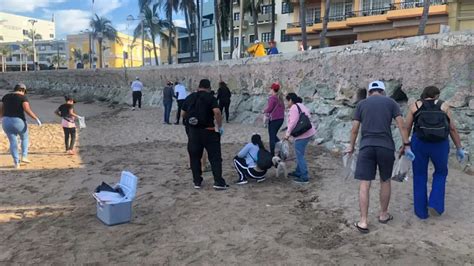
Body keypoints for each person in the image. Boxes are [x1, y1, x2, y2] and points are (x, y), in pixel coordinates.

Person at [346, 81, 413, 234]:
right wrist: (406, 144)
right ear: (383, 91)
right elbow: (401, 125)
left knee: (365, 183)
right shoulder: (391, 103)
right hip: (385, 146)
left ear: (370, 92)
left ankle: (363, 221)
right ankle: (383, 214)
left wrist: (351, 146)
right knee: (385, 180)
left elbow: (355, 129)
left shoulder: (361, 104)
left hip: (366, 147)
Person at [404, 86, 465, 219]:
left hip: (419, 143)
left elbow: (407, 126)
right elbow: (452, 129)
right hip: (440, 144)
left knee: (419, 175)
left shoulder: (415, 106)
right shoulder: (444, 106)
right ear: (436, 95)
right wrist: (459, 147)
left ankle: (421, 212)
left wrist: (406, 145)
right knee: (441, 172)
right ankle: (435, 204)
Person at [182, 79, 228, 190]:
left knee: (194, 157)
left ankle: (197, 182)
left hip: (193, 132)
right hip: (208, 130)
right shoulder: (210, 98)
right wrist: (219, 126)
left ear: (199, 86)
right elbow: (217, 112)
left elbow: (183, 113)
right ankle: (218, 182)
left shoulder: (190, 97)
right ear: (208, 87)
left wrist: (190, 122)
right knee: (215, 157)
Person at [0, 83, 41, 169]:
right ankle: (24, 156)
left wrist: (1, 120)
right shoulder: (22, 97)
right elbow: (27, 109)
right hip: (18, 121)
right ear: (22, 90)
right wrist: (36, 118)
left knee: (12, 142)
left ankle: (16, 163)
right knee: (24, 138)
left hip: (6, 121)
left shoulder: (6, 96)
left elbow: (2, 109)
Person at [284, 93, 316, 184]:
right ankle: (298, 172)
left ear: (290, 100)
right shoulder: (301, 105)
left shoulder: (294, 107)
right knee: (299, 153)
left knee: (299, 155)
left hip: (303, 135)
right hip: (308, 132)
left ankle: (304, 176)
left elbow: (293, 122)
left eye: (287, 100)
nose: (286, 103)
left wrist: (287, 134)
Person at [263, 83, 285, 156]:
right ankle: (281, 146)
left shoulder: (272, 98)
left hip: (274, 119)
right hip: (281, 119)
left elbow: (269, 108)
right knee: (273, 135)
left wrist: (264, 111)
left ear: (272, 89)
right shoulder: (280, 98)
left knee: (272, 137)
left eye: (271, 88)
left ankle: (272, 154)